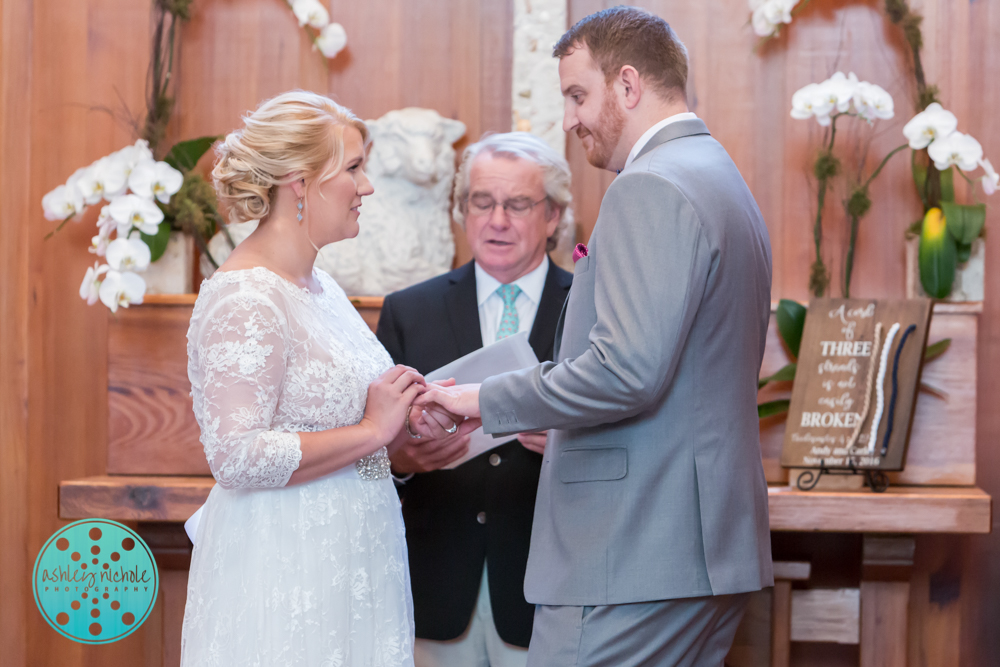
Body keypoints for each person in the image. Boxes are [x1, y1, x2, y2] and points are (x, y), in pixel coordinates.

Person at [419, 7, 774, 666]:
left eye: (578, 95)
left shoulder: (651, 185)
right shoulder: (720, 177)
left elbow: (625, 368)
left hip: (633, 553)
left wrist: (478, 399)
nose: (570, 118)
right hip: (702, 550)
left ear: (630, 85)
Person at [180, 91, 470, 666]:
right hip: (288, 565)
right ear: (299, 183)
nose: (367, 187)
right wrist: (371, 429)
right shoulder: (245, 295)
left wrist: (408, 415)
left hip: (355, 559)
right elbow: (234, 455)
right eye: (354, 169)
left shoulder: (323, 288)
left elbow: (339, 411)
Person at [376, 132, 574, 667]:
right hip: (436, 587)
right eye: (482, 202)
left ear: (553, 216)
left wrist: (569, 441)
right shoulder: (407, 311)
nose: (497, 220)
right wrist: (402, 461)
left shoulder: (590, 312)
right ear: (462, 210)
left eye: (518, 204)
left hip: (551, 592)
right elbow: (370, 447)